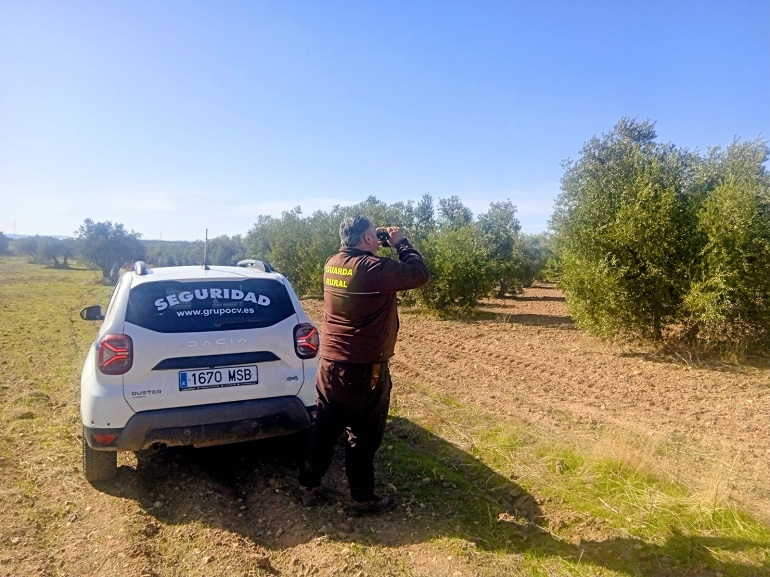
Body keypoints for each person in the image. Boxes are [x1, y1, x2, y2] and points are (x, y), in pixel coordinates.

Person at [298, 214, 430, 515]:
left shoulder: (332, 263)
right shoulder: (373, 268)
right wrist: (401, 242)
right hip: (362, 370)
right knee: (363, 435)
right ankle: (362, 497)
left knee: (324, 427)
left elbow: (366, 263)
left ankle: (308, 485)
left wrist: (378, 241)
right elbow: (419, 273)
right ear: (368, 239)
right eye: (375, 235)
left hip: (330, 365)